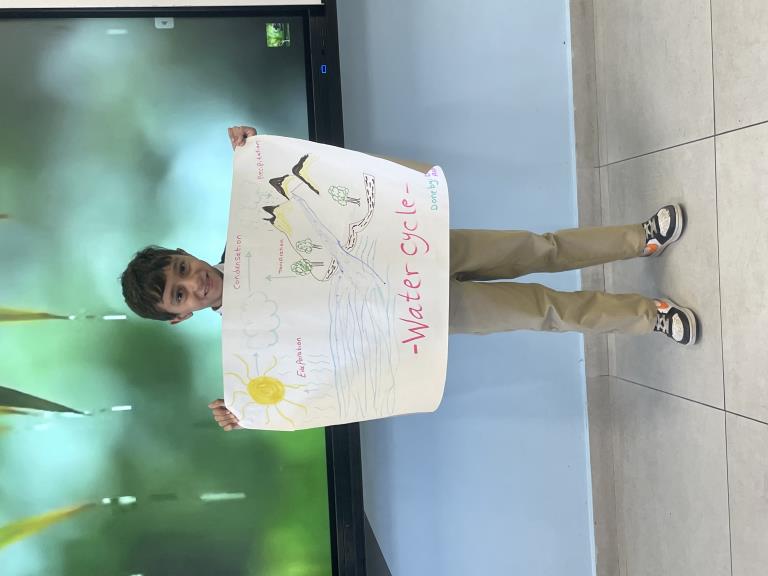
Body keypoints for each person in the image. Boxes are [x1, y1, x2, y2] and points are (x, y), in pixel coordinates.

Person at [120, 126, 698, 431]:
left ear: (184, 253)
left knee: (538, 247)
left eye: (181, 269)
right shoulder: (251, 352)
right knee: (544, 310)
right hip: (415, 316)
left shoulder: (255, 221)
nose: (192, 283)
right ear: (179, 318)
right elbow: (308, 381)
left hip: (418, 246)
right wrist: (248, 410)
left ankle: (639, 237)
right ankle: (649, 316)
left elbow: (316, 187)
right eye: (179, 295)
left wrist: (256, 148)